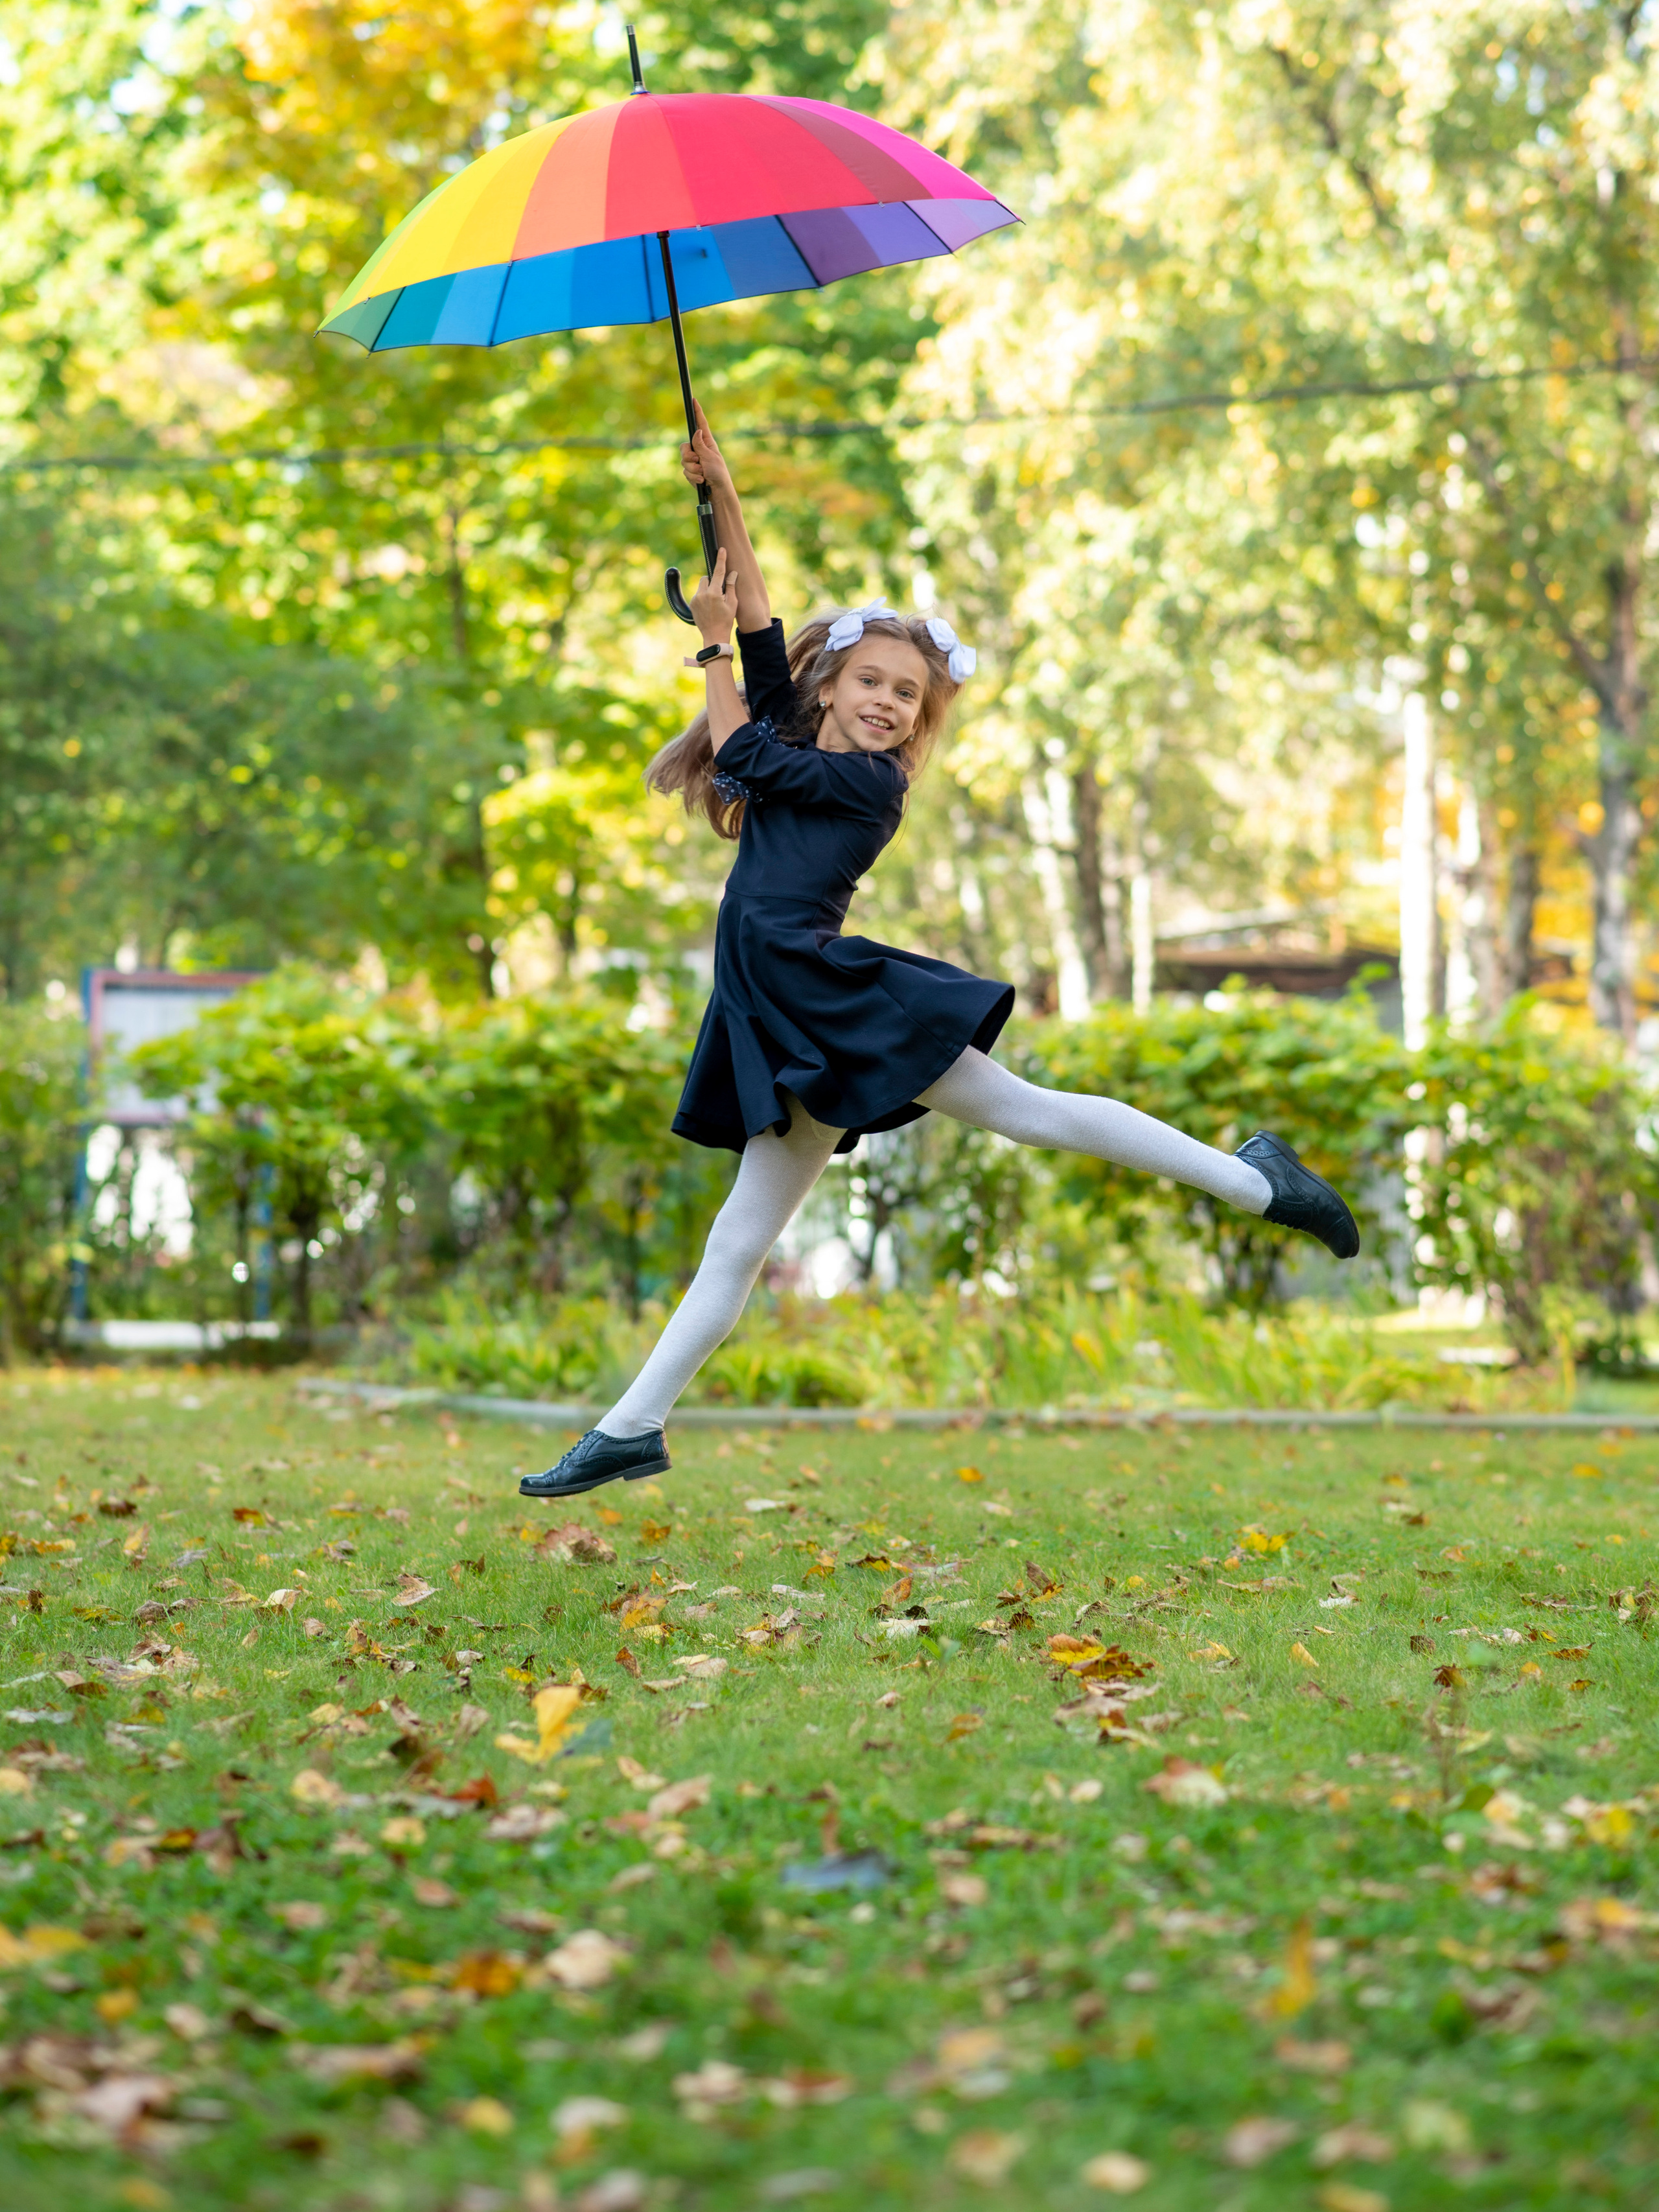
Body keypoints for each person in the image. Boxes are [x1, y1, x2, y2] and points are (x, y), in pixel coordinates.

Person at [520, 410, 1358, 1500]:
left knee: (1031, 1110)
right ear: (829, 686)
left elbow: (733, 737)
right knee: (739, 1238)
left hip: (830, 1001)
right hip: (779, 1016)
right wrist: (721, 486)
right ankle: (634, 1426)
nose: (885, 702)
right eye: (870, 681)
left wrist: (709, 646)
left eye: (907, 695)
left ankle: (1257, 1182)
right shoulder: (791, 718)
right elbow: (766, 614)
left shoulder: (866, 784)